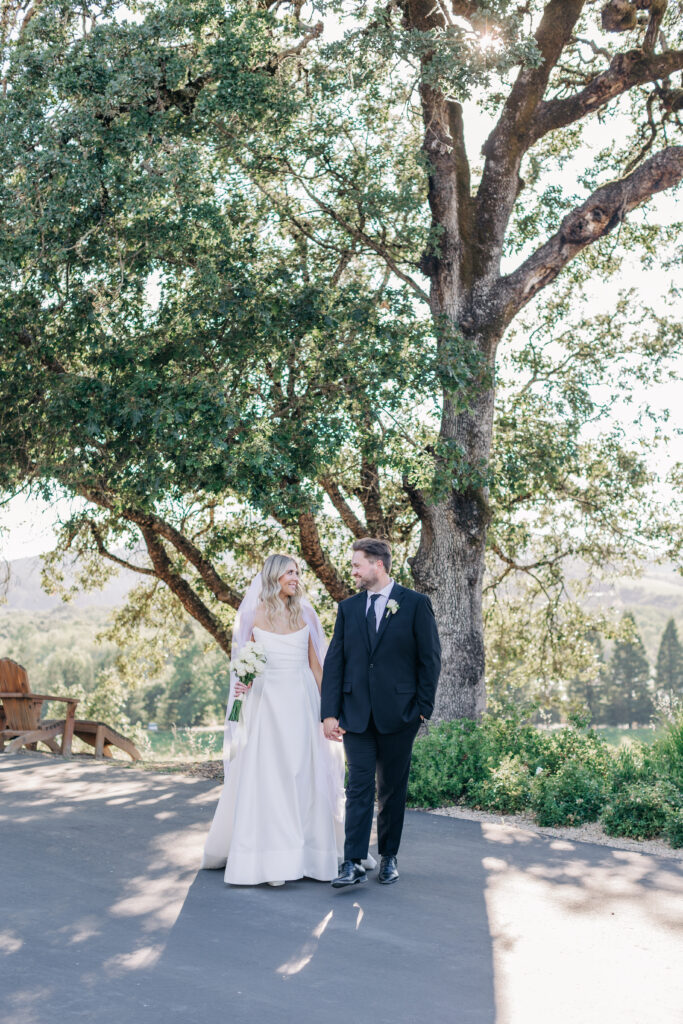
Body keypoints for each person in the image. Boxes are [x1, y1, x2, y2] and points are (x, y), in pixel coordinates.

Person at [201, 554, 345, 886]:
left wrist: (330, 712)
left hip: (301, 699)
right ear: (275, 576)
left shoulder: (305, 613)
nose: (296, 577)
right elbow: (247, 664)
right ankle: (274, 860)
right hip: (267, 704)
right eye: (290, 572)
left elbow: (316, 666)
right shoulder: (253, 615)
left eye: (298, 572)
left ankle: (309, 854)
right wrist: (243, 682)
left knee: (303, 773)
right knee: (271, 777)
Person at [321, 538, 441, 887]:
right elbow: (335, 662)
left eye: (357, 564)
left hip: (401, 715)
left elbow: (429, 659)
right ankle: (353, 861)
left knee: (392, 789)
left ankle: (389, 857)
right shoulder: (348, 609)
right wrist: (330, 712)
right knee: (357, 787)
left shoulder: (416, 604)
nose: (353, 571)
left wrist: (422, 710)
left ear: (378, 565)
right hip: (355, 715)